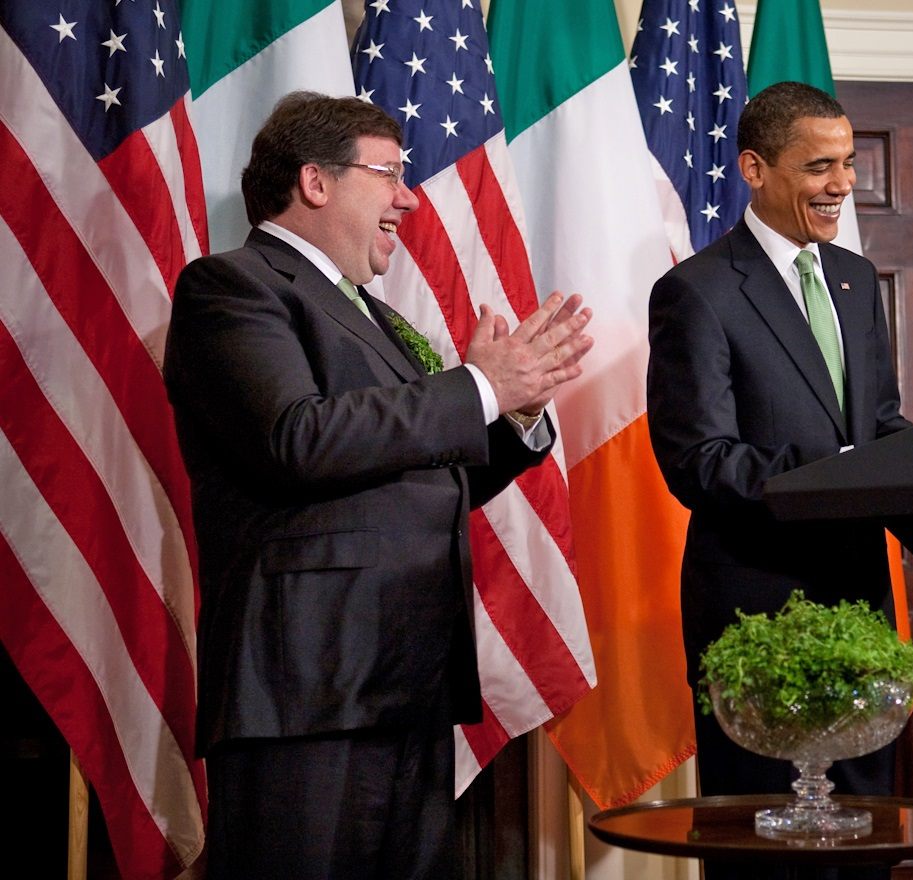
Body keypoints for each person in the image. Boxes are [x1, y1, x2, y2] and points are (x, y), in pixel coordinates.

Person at [163, 91, 592, 879]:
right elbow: (298, 438)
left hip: (408, 677)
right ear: (316, 182)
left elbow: (427, 479)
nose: (409, 196)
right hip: (306, 687)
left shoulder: (378, 319)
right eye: (390, 173)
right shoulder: (232, 288)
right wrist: (476, 389)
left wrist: (515, 412)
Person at [646, 81, 913, 878]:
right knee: (771, 851)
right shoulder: (696, 291)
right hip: (757, 608)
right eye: (820, 166)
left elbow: (884, 426)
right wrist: (833, 475)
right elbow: (698, 461)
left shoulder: (857, 281)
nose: (842, 185)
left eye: (850, 164)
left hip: (860, 604)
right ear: (755, 169)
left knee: (865, 837)